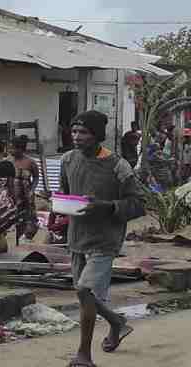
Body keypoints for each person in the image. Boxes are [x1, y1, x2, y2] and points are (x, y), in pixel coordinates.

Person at [61, 110, 145, 367]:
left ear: (97, 135)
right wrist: (58, 211)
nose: (77, 137)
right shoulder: (67, 160)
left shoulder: (118, 165)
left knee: (85, 290)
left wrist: (106, 207)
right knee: (82, 294)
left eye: (83, 132)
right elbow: (67, 195)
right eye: (74, 131)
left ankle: (84, 355)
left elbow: (139, 204)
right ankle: (117, 322)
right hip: (77, 238)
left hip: (105, 240)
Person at [7, 135, 41, 240]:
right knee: (15, 218)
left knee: (28, 218)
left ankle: (27, 238)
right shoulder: (8, 161)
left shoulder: (30, 162)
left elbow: (36, 178)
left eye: (12, 148)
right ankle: (17, 238)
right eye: (9, 148)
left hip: (26, 195)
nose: (10, 150)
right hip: (13, 194)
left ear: (20, 149)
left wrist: (32, 190)